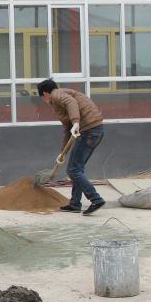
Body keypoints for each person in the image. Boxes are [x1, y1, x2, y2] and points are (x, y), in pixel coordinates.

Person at [37, 79, 106, 215]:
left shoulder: (57, 95)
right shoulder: (61, 97)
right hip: (95, 130)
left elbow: (71, 103)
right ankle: (75, 204)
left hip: (89, 130)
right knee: (77, 169)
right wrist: (63, 153)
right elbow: (67, 129)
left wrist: (76, 122)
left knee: (73, 170)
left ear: (44, 94)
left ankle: (96, 199)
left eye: (42, 97)